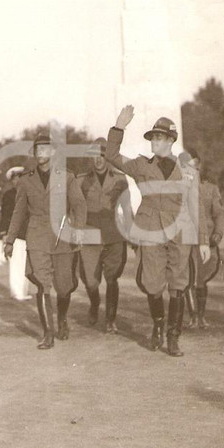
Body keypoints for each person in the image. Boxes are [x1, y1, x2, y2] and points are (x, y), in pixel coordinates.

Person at [105, 107, 192, 357]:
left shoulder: (186, 169)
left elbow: (194, 206)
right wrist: (118, 127)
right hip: (150, 229)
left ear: (170, 141)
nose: (153, 141)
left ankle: (173, 336)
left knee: (178, 285)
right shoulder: (141, 165)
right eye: (152, 137)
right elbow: (111, 155)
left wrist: (203, 240)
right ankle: (158, 324)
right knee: (153, 285)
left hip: (178, 232)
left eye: (158, 137)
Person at [5, 134, 87, 348]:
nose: (41, 152)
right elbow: (18, 212)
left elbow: (79, 205)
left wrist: (78, 228)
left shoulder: (67, 177)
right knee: (42, 285)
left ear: (52, 152)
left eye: (45, 148)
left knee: (64, 286)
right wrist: (10, 239)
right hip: (37, 237)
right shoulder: (25, 180)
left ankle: (61, 318)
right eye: (37, 149)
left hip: (62, 236)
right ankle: (48, 333)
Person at [77, 138, 131, 334]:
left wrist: (132, 233)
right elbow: (74, 207)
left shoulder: (120, 179)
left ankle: (110, 319)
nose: (98, 160)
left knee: (112, 278)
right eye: (94, 156)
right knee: (90, 281)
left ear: (107, 157)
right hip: (89, 234)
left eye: (102, 155)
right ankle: (94, 303)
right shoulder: (80, 180)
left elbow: (126, 208)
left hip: (114, 234)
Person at [179, 150, 224, 330]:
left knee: (202, 277)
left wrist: (218, 234)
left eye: (195, 166)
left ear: (200, 167)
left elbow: (219, 213)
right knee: (187, 277)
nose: (192, 170)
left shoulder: (210, 189)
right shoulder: (177, 188)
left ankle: (202, 315)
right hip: (185, 239)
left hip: (205, 240)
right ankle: (193, 316)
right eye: (187, 166)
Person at [0, 166, 30, 301]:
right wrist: (5, 235)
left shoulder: (29, 192)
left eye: (20, 177)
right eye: (15, 178)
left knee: (26, 263)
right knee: (16, 262)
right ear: (11, 180)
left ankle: (23, 290)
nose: (17, 181)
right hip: (15, 234)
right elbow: (5, 216)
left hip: (28, 233)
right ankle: (16, 291)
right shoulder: (8, 195)